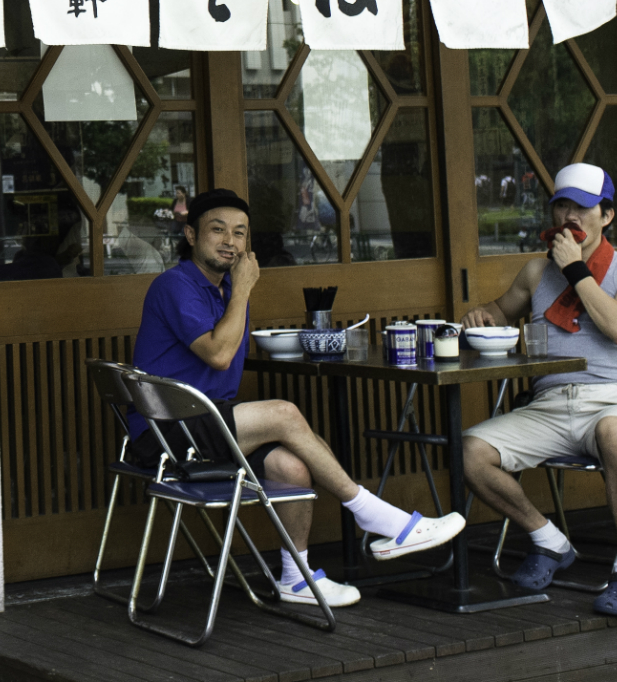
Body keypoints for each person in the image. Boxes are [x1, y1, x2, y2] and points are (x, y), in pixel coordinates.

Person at [130, 188, 466, 608]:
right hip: (166, 432)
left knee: (292, 467)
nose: (230, 242)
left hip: (207, 426)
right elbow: (218, 354)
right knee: (285, 413)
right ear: (191, 235)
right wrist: (243, 292)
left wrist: (237, 292)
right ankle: (374, 514)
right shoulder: (175, 284)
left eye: (240, 233)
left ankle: (296, 577)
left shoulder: (225, 290)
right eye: (217, 230)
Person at [460, 163, 617, 619]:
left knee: (615, 433)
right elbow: (498, 310)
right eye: (562, 206)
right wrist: (481, 316)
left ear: (606, 216)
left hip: (614, 401)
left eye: (581, 208)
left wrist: (575, 270)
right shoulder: (535, 271)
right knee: (469, 450)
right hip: (548, 405)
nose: (569, 216)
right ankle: (549, 540)